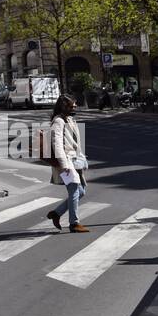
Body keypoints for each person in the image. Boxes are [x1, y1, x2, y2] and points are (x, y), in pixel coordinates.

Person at [45, 95, 91, 234]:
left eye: (75, 105)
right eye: (71, 106)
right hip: (66, 162)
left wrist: (83, 159)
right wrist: (64, 165)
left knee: (81, 190)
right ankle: (74, 223)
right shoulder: (58, 121)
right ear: (63, 106)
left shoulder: (69, 119)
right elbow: (57, 144)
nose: (74, 108)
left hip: (75, 160)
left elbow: (76, 142)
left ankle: (57, 213)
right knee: (74, 190)